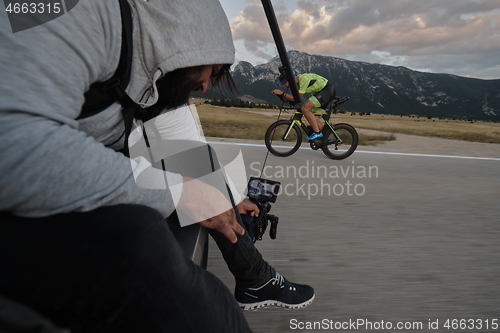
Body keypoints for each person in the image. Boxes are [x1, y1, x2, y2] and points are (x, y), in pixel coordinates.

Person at [0, 1, 314, 332]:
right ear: (184, 42)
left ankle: (256, 278)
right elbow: (14, 146)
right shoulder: (72, 10)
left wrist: (228, 197)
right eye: (214, 69)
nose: (206, 85)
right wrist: (178, 192)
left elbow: (188, 147)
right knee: (140, 242)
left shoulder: (151, 65)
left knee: (196, 179)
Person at [272, 71, 336, 140]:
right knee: (314, 120)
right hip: (323, 93)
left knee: (305, 108)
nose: (284, 84)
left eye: (284, 81)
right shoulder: (298, 83)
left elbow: (297, 98)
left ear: (290, 78)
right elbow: (295, 99)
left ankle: (317, 133)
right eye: (282, 83)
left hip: (327, 91)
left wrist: (281, 93)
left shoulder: (303, 79)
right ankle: (324, 140)